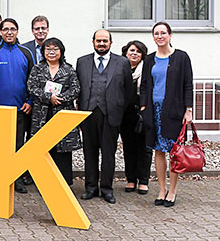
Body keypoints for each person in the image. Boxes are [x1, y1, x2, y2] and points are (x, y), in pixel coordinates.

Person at [76, 29, 132, 204]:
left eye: (105, 41)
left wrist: (120, 109)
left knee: (108, 153)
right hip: (88, 113)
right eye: (98, 40)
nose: (101, 44)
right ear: (93, 42)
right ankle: (91, 187)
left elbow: (128, 90)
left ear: (111, 43)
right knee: (89, 152)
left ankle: (107, 188)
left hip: (111, 114)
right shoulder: (82, 62)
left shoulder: (122, 62)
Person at [140, 22, 193, 208]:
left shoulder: (181, 57)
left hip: (174, 111)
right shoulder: (149, 59)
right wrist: (144, 106)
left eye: (163, 33)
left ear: (170, 35)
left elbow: (188, 84)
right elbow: (145, 85)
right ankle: (161, 189)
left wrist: (188, 110)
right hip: (154, 111)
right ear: (153, 37)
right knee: (158, 149)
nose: (160, 36)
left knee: (174, 151)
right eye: (156, 33)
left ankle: (172, 190)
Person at [0, 18, 34, 193]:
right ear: (1, 32)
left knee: (18, 146)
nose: (9, 32)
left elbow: (32, 81)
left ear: (18, 32)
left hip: (20, 110)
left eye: (13, 29)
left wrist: (30, 102)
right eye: (5, 29)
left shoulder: (26, 53)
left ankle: (17, 179)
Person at [26, 37, 81, 187]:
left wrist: (60, 98)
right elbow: (31, 87)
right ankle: (43, 183)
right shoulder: (37, 68)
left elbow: (75, 89)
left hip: (62, 113)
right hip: (41, 115)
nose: (51, 52)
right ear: (43, 52)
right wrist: (48, 97)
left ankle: (63, 182)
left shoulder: (69, 69)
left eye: (55, 49)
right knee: (43, 149)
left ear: (61, 51)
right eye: (48, 49)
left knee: (62, 149)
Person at [121, 40, 151, 195]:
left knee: (144, 148)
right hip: (125, 116)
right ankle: (131, 179)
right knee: (128, 148)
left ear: (142, 55)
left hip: (143, 114)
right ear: (126, 52)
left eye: (138, 51)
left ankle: (144, 180)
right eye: (131, 50)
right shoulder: (120, 68)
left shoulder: (146, 70)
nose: (134, 53)